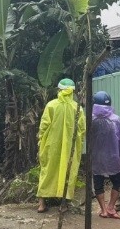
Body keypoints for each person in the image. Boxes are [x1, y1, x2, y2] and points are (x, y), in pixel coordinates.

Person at [36, 78, 85, 213]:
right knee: (68, 173)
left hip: (51, 146)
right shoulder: (77, 108)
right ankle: (64, 204)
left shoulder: (51, 105)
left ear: (59, 90)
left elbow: (43, 126)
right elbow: (82, 129)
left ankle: (41, 204)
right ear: (72, 92)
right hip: (70, 148)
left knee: (47, 171)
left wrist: (41, 140)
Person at [90, 91, 120, 220]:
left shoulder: (91, 119)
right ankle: (111, 207)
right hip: (113, 157)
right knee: (117, 182)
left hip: (96, 157)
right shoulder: (115, 119)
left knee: (98, 183)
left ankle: (103, 210)